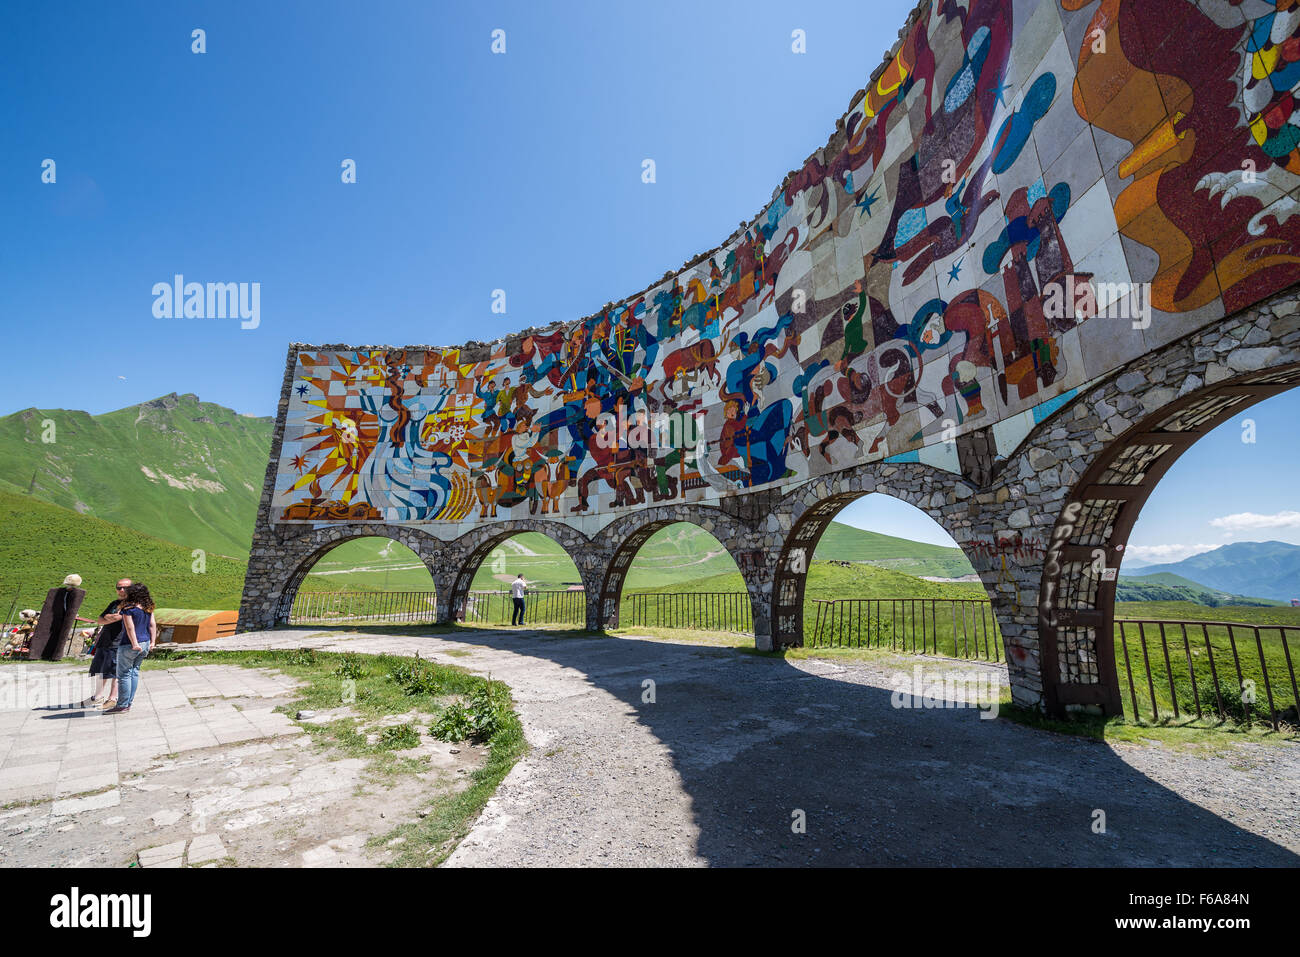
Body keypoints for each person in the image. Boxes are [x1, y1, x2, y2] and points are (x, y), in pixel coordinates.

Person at [104, 583, 156, 715]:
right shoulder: (148, 607)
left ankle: (122, 705)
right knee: (134, 672)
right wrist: (153, 642)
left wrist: (134, 643)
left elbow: (130, 628)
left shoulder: (128, 609)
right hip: (145, 642)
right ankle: (128, 702)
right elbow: (152, 625)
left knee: (124, 675)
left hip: (130, 645)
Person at [79, 578, 131, 709]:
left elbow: (120, 617)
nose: (122, 590)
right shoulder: (114, 603)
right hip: (105, 640)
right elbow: (100, 619)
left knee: (115, 671)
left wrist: (110, 617)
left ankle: (112, 698)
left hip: (119, 641)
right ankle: (97, 696)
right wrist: (111, 618)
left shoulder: (131, 604)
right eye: (119, 587)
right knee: (101, 670)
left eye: (125, 587)